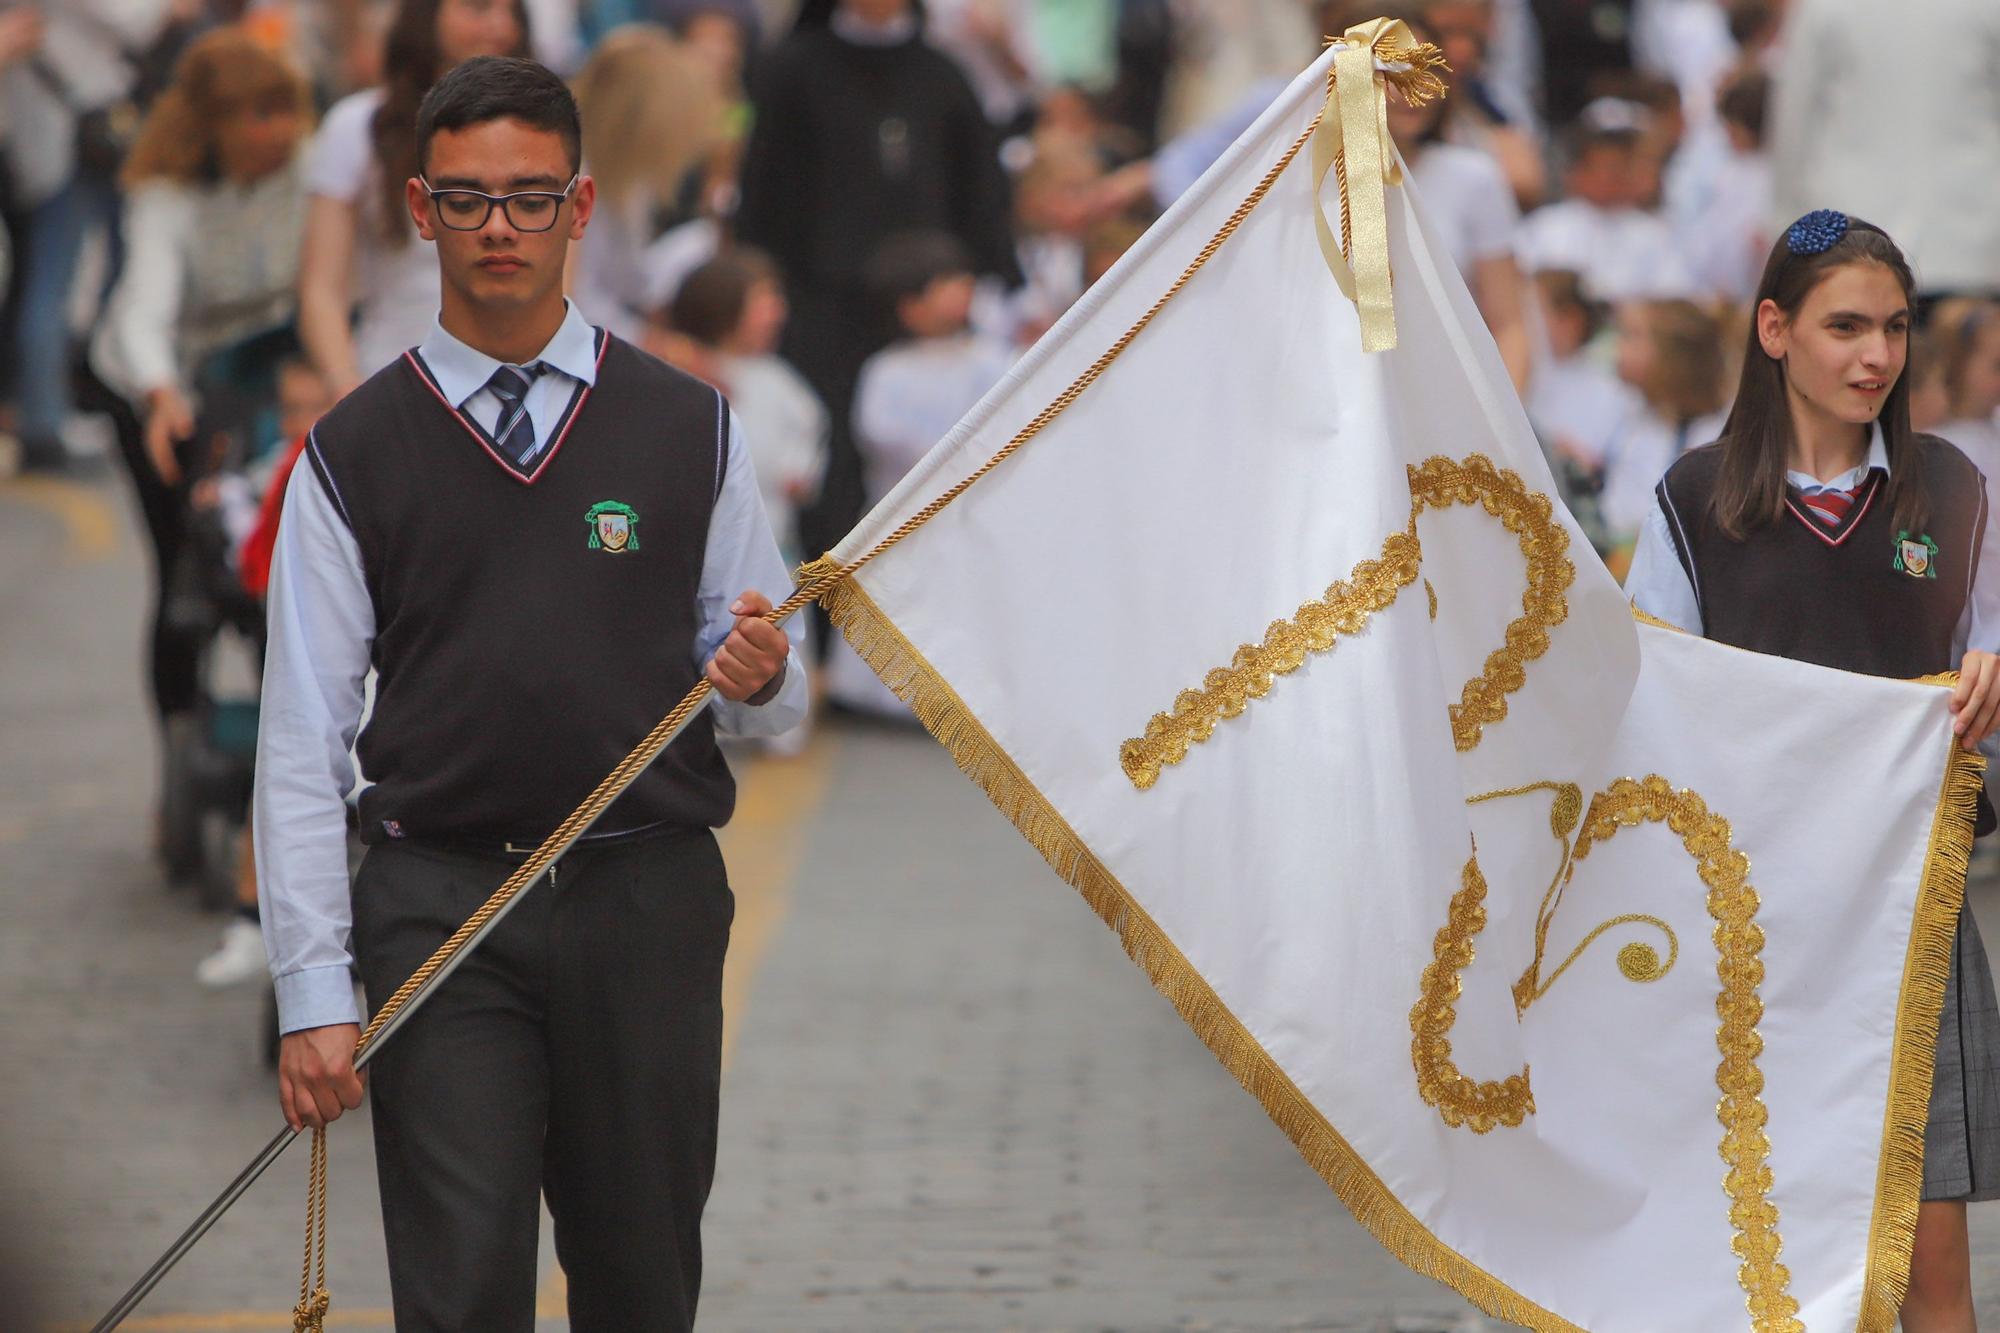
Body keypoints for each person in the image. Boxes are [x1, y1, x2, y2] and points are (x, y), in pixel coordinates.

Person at [256, 56, 806, 1329]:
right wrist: (314, 993)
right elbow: (301, 737)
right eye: (464, 199)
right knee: (457, 1294)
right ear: (416, 207)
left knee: (639, 1284)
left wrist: (764, 675)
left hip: (647, 901)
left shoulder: (691, 427)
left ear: (580, 206)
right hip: (441, 912)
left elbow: (773, 696)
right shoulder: (351, 452)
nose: (495, 226)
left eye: (526, 196)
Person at [1626, 212, 2000, 1333]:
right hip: (1755, 938)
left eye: (1889, 327)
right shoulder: (1692, 505)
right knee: (1777, 1269)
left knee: (1927, 1270)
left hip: (1908, 924)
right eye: (1842, 326)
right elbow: (1651, 717)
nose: (1872, 356)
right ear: (1774, 329)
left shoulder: (1953, 490)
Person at [84, 27, 313, 843]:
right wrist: (160, 394)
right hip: (160, 384)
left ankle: (285, 752)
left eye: (282, 113)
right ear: (211, 125)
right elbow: (143, 309)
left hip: (265, 374)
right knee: (185, 569)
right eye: (255, 117)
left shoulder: (304, 174)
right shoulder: (167, 193)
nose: (275, 133)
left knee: (274, 565)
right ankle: (180, 742)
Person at [734, 0, 1019, 562]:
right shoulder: (792, 70)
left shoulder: (942, 73)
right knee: (829, 466)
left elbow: (980, 191)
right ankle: (826, 607)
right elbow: (765, 195)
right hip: (821, 308)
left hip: (926, 312)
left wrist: (990, 284)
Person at [295, 0, 528, 396]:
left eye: (514, 13)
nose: (501, 27)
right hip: (390, 377)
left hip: (513, 385)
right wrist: (349, 396)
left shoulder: (547, 135)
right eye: (480, 8)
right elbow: (321, 291)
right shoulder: (356, 126)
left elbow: (561, 285)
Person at [826, 230, 1012, 717]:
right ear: (909, 306)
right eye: (943, 286)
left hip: (970, 507)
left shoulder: (991, 359)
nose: (960, 294)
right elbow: (876, 428)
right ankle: (880, 694)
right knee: (898, 594)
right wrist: (935, 454)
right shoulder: (887, 367)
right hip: (900, 504)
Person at [569, 23, 726, 339]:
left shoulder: (630, 185)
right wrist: (652, 342)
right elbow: (576, 297)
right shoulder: (575, 175)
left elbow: (630, 281)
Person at [1515, 97, 1695, 302]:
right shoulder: (1542, 230)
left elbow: (1676, 298)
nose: (1616, 171)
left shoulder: (1654, 234)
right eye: (1605, 160)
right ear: (1577, 169)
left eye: (1624, 158)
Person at [1599, 296, 1728, 553]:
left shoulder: (1709, 433)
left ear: (1673, 356)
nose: (1618, 348)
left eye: (1632, 337)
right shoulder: (1630, 412)